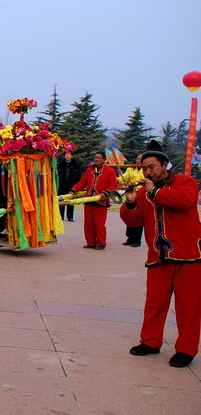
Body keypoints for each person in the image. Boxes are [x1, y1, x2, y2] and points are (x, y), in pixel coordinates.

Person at [121, 141, 201, 368]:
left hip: (189, 256)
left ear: (165, 165)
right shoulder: (143, 193)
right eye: (144, 168)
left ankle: (186, 349)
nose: (147, 172)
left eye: (152, 167)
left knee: (188, 307)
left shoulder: (186, 182)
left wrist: (154, 192)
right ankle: (150, 342)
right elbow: (133, 222)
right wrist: (131, 202)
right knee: (154, 304)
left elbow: (183, 201)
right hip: (158, 256)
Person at [70, 151, 117, 250]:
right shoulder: (89, 170)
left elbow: (113, 186)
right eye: (95, 157)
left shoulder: (110, 171)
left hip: (101, 201)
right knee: (88, 224)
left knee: (99, 225)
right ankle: (90, 242)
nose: (96, 159)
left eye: (99, 158)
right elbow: (82, 183)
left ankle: (101, 243)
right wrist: (73, 190)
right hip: (89, 201)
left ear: (104, 160)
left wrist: (105, 193)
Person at [118, 154, 144, 247]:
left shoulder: (146, 170)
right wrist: (117, 177)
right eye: (137, 158)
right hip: (130, 195)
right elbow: (123, 179)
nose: (138, 160)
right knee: (129, 216)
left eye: (141, 159)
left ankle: (137, 240)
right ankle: (130, 238)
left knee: (138, 218)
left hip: (141, 196)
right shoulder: (130, 169)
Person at [57, 152, 82, 222]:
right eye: (66, 155)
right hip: (62, 186)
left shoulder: (75, 165)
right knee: (61, 200)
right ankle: (60, 216)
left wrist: (76, 187)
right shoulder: (60, 164)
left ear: (72, 156)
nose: (67, 156)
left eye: (69, 155)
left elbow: (78, 176)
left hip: (72, 186)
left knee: (70, 202)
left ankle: (70, 217)